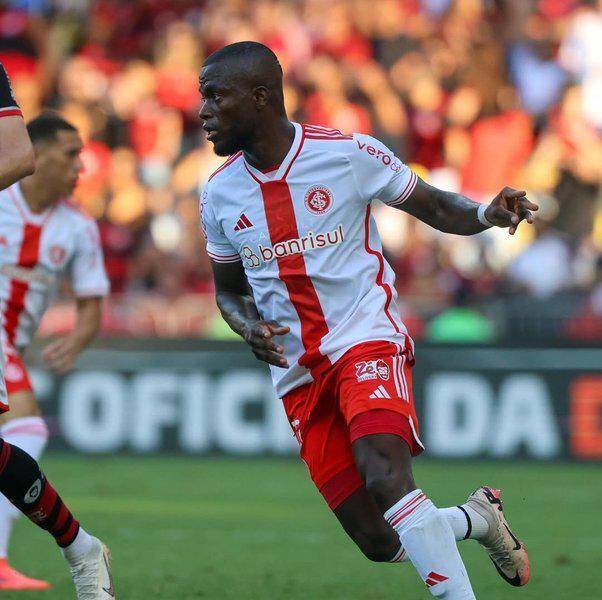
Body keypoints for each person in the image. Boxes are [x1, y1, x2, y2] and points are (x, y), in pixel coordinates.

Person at [199, 42, 537, 599]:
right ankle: (478, 519)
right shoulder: (217, 195)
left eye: (215, 96)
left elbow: (430, 205)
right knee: (381, 540)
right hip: (299, 374)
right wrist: (246, 325)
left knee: (386, 476)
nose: (204, 111)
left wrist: (484, 213)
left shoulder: (348, 153)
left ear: (260, 97)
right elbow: (228, 293)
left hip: (365, 339)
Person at [0, 86, 115, 598]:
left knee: (25, 429)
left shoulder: (78, 228)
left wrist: (78, 340)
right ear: (36, 154)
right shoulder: (4, 197)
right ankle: (76, 547)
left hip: (9, 345)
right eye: (71, 156)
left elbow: (92, 304)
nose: (80, 168)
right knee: (23, 430)